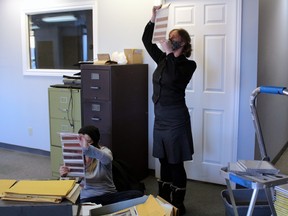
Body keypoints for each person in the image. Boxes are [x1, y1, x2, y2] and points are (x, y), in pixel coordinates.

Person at [142, 5, 197, 215]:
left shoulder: (187, 65)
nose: (170, 39)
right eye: (170, 36)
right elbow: (147, 41)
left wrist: (170, 54)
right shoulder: (163, 59)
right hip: (160, 118)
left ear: (182, 43)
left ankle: (178, 204)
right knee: (163, 160)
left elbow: (175, 78)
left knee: (175, 162)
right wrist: (152, 18)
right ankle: (164, 200)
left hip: (176, 119)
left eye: (174, 38)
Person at [59, 125, 143, 205]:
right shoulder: (75, 155)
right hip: (88, 198)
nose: (83, 145)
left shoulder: (104, 151)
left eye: (88, 142)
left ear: (95, 142)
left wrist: (87, 149)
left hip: (108, 196)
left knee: (137, 195)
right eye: (81, 142)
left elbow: (107, 159)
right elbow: (72, 183)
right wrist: (65, 174)